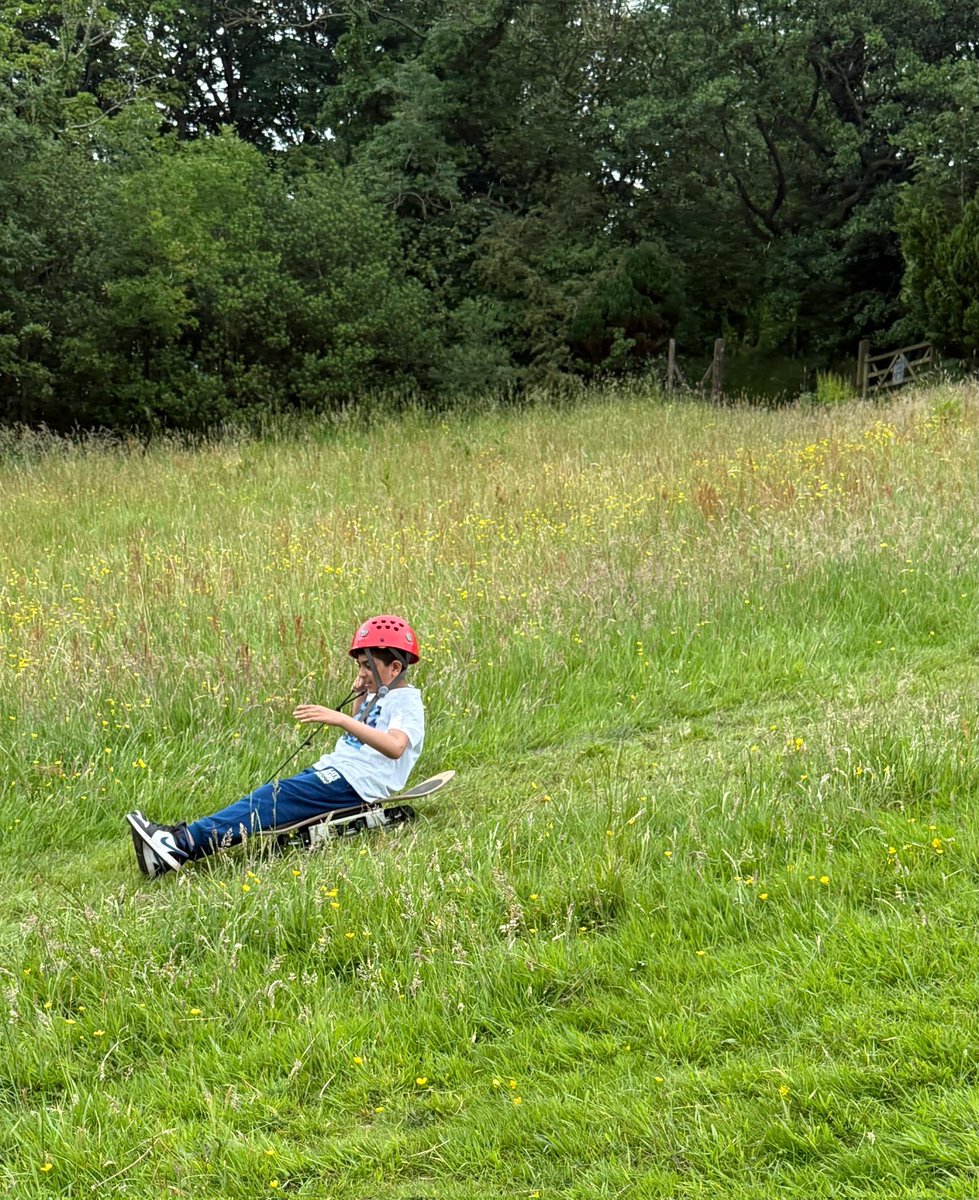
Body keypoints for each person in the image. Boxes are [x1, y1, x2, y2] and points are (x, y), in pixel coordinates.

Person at [126, 615, 424, 876]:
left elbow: (395, 747)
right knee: (269, 798)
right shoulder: (381, 693)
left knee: (270, 798)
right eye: (360, 666)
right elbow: (361, 733)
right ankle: (172, 849)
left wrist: (340, 720)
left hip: (356, 783)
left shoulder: (407, 702)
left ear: (395, 667)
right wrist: (359, 697)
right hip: (338, 772)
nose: (361, 673)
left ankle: (180, 845)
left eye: (366, 666)